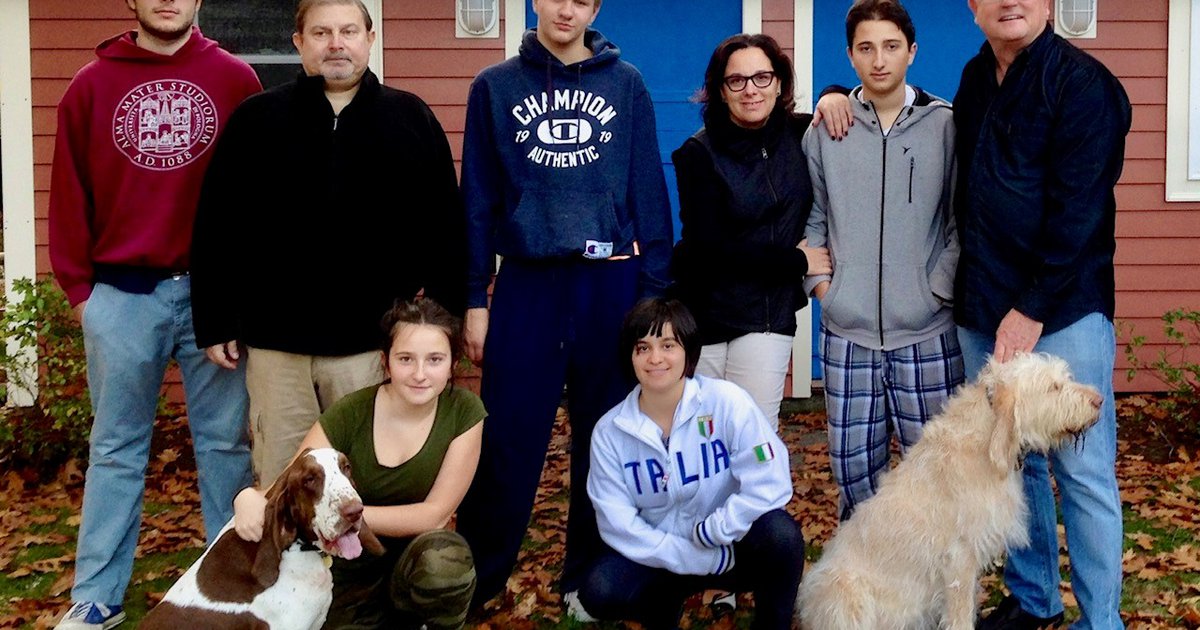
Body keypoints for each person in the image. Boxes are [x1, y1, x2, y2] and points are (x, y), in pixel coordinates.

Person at [190, 0, 466, 486]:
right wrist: (214, 318)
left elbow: (445, 228)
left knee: (362, 478)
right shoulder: (257, 120)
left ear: (369, 38)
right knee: (284, 480)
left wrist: (440, 327)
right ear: (299, 43)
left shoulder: (410, 120)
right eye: (321, 33)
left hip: (369, 344)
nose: (336, 44)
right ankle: (286, 565)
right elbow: (218, 225)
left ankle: (363, 565)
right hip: (278, 346)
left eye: (347, 31)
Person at [454, 0, 674, 607]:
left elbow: (649, 192)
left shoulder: (626, 85)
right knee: (505, 437)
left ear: (594, 7)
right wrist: (475, 296)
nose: (566, 9)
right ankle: (479, 579)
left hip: (610, 283)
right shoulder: (494, 86)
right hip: (526, 284)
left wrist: (654, 297)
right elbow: (476, 197)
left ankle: (588, 579)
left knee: (604, 439)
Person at [48, 1, 261, 627]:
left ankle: (232, 589)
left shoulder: (233, 80)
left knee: (225, 446)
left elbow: (255, 195)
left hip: (213, 297)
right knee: (116, 448)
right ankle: (97, 596)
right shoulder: (91, 85)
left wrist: (242, 296)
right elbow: (68, 193)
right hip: (122, 296)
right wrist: (85, 297)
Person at [956, 1, 1131, 628]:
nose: (1010, 2)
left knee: (1081, 470)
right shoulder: (976, 77)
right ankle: (1034, 602)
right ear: (972, 5)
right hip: (982, 306)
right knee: (1012, 458)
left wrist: (1029, 309)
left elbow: (1079, 212)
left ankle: (1100, 621)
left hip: (1063, 309)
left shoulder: (1084, 86)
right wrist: (839, 94)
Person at [803, 0, 963, 522]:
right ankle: (869, 598)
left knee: (939, 481)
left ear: (912, 52)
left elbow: (963, 221)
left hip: (927, 333)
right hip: (848, 338)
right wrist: (828, 288)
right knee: (856, 482)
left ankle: (938, 599)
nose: (879, 60)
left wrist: (935, 290)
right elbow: (813, 219)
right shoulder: (826, 130)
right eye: (866, 48)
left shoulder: (945, 126)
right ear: (850, 56)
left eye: (891, 47)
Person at [233, 299, 485, 629]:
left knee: (445, 561)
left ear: (452, 364)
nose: (420, 374)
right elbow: (288, 484)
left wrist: (348, 513)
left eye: (435, 360)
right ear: (386, 362)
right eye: (406, 359)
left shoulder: (464, 411)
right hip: (346, 570)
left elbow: (434, 514)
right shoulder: (351, 412)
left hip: (415, 563)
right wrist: (246, 498)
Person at [575, 298, 803, 630]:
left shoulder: (726, 402)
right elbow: (617, 523)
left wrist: (718, 530)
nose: (655, 358)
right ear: (630, 356)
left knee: (782, 537)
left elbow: (770, 480)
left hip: (729, 548)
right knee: (599, 589)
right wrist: (688, 556)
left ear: (688, 351)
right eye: (643, 348)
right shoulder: (611, 432)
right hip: (659, 558)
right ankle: (662, 610)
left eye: (668, 345)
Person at [670, 33, 831, 432]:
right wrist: (796, 261)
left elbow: (860, 104)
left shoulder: (803, 134)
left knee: (755, 437)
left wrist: (834, 93)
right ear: (721, 91)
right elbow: (711, 249)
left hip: (766, 317)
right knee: (702, 441)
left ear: (779, 83)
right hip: (704, 316)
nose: (751, 90)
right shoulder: (698, 153)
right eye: (736, 80)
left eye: (762, 77)